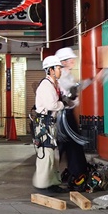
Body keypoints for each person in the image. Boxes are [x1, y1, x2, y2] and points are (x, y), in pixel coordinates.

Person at [54, 46, 90, 191]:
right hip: (62, 115)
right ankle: (73, 175)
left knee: (71, 145)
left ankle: (77, 174)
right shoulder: (61, 75)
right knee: (65, 146)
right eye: (70, 59)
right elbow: (68, 91)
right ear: (63, 62)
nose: (73, 61)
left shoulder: (67, 74)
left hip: (67, 114)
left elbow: (74, 88)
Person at [32, 55, 66, 193]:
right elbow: (51, 105)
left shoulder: (53, 84)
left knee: (54, 156)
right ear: (50, 70)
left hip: (51, 124)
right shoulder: (46, 85)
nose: (60, 71)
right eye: (58, 68)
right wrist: (63, 104)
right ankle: (42, 184)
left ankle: (52, 183)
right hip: (45, 124)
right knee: (46, 154)